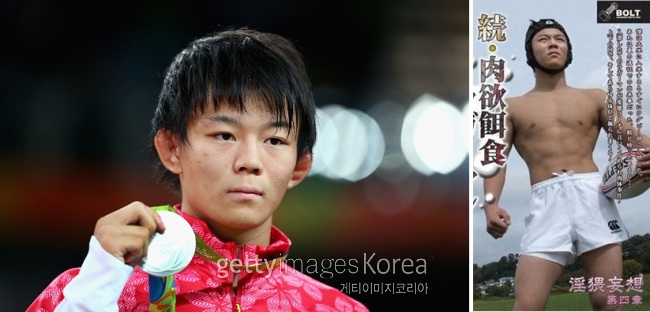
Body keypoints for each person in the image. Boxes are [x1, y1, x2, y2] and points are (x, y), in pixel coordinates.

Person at [27, 27, 369, 311]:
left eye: (275, 140)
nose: (250, 161)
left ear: (300, 166)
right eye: (225, 135)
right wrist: (94, 292)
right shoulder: (84, 291)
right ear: (172, 149)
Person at [482, 19, 650, 310]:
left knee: (607, 301)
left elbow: (636, 140)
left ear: (569, 49)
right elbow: (495, 158)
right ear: (529, 51)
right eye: (543, 39)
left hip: (594, 198)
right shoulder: (510, 107)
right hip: (546, 203)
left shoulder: (595, 97)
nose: (553, 43)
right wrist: (490, 204)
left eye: (560, 38)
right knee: (527, 306)